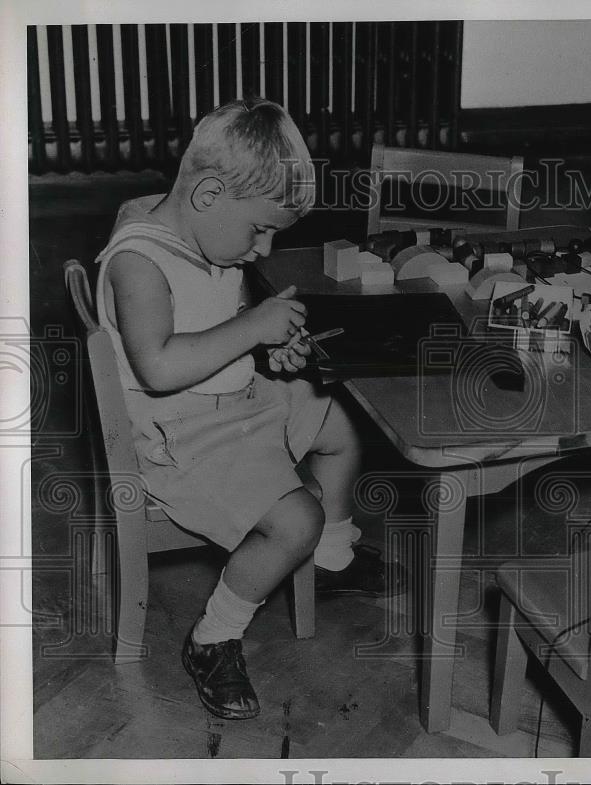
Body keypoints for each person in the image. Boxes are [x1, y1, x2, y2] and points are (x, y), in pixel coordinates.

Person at [94, 97, 403, 720]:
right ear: (208, 194)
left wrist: (266, 352)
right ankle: (214, 637)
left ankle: (332, 558)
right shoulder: (138, 262)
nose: (263, 250)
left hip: (225, 403)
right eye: (258, 229)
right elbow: (158, 366)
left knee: (342, 424)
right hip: (178, 434)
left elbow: (209, 328)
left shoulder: (198, 234)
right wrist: (252, 330)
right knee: (294, 521)